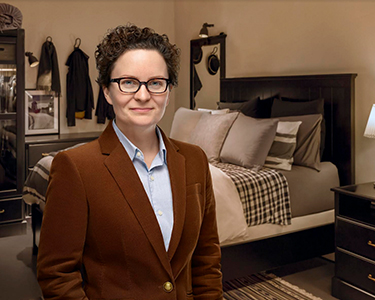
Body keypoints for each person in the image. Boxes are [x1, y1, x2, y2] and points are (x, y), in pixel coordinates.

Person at [37, 24, 223, 299]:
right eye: (128, 82)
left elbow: (206, 260)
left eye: (156, 83)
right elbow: (57, 275)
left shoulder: (194, 159)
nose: (143, 95)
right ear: (107, 92)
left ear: (168, 91)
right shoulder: (74, 166)